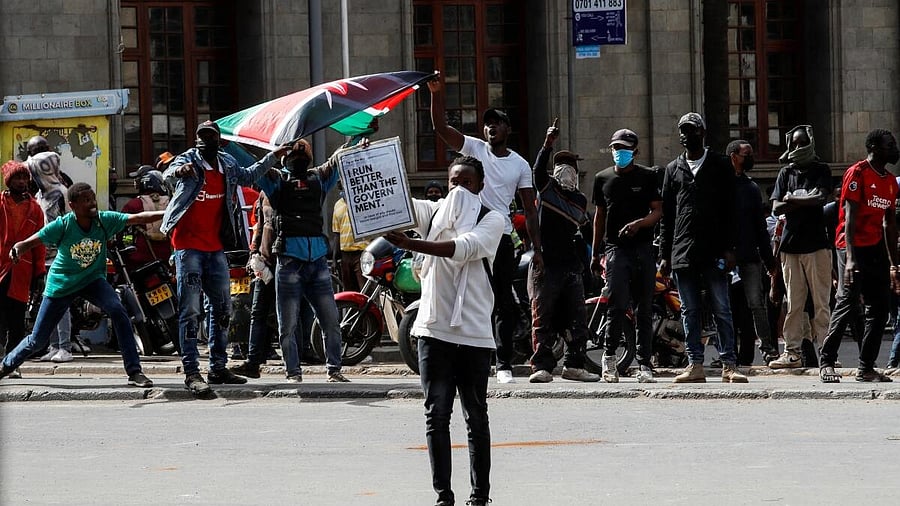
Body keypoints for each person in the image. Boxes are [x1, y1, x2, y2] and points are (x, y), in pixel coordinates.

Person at [384, 156, 504, 506]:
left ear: (480, 186)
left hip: (474, 335)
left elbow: (460, 250)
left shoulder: (492, 220)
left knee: (475, 415)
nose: (460, 189)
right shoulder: (434, 213)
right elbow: (397, 205)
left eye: (468, 182)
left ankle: (480, 496)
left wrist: (409, 245)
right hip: (434, 331)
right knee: (436, 415)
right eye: (454, 182)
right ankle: (443, 496)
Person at [161, 120, 291, 396]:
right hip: (187, 247)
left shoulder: (227, 163)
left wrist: (273, 157)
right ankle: (192, 372)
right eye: (201, 138)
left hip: (215, 246)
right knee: (190, 311)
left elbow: (249, 175)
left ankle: (217, 368)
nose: (205, 143)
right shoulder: (189, 160)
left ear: (219, 141)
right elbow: (168, 175)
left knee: (222, 310)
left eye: (210, 138)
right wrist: (180, 170)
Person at [428, 73, 541, 384]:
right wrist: (437, 94)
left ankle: (502, 362)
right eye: (487, 123)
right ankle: (467, 357)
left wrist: (537, 249)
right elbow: (441, 129)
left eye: (497, 123)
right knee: (466, 297)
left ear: (508, 129)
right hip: (468, 235)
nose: (491, 127)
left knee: (501, 300)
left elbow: (529, 209)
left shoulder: (519, 164)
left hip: (500, 237)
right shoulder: (474, 149)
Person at [0, 183, 161, 387]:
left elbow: (135, 218)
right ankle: (6, 365)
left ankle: (135, 371)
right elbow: (35, 239)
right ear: (72, 205)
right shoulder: (64, 224)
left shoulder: (104, 220)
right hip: (62, 284)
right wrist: (19, 247)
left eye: (92, 198)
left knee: (118, 310)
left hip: (92, 280)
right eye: (86, 200)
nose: (92, 203)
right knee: (37, 340)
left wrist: (169, 210)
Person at [659, 112, 748, 383]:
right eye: (683, 131)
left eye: (693, 130)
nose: (688, 135)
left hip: (715, 250)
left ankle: (729, 364)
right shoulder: (673, 169)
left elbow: (732, 210)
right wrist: (664, 255)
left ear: (703, 133)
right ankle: (694, 364)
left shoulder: (720, 165)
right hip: (683, 251)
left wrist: (731, 248)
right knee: (689, 309)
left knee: (722, 307)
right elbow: (667, 216)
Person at [252, 138, 350, 383]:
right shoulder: (275, 182)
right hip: (289, 261)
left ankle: (334, 370)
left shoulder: (318, 178)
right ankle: (293, 373)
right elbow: (251, 167)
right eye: (294, 151)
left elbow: (339, 156)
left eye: (302, 150)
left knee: (330, 321)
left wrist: (359, 136)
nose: (299, 153)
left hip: (316, 260)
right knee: (288, 324)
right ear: (284, 158)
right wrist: (270, 154)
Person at [819, 129, 900, 383]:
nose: (894, 148)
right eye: (890, 145)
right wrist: (850, 259)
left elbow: (889, 224)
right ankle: (827, 361)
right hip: (850, 245)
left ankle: (866, 366)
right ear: (875, 147)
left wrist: (894, 264)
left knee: (880, 307)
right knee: (847, 300)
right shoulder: (857, 173)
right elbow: (849, 218)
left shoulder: (889, 180)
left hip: (874, 245)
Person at [526, 120, 600, 384]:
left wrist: (590, 261)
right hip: (546, 263)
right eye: (560, 166)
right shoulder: (547, 189)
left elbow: (584, 231)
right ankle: (542, 365)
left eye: (570, 166)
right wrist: (547, 144)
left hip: (571, 266)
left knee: (577, 319)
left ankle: (574, 365)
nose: (565, 170)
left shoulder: (579, 200)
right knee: (542, 317)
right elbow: (536, 172)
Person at [591, 128, 663, 383]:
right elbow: (599, 216)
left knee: (644, 308)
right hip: (615, 249)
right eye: (616, 148)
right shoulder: (602, 178)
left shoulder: (647, 177)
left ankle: (645, 363)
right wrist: (595, 250)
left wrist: (639, 224)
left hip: (643, 248)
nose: (620, 153)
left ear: (635, 151)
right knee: (617, 304)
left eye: (625, 149)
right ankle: (609, 358)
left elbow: (657, 210)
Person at [768, 125, 834, 369]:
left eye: (801, 143)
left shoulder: (821, 170)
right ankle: (792, 352)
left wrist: (791, 199)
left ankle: (827, 352)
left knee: (821, 303)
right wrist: (803, 201)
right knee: (794, 304)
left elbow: (820, 199)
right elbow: (775, 208)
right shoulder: (786, 172)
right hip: (790, 247)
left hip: (817, 246)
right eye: (794, 144)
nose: (797, 148)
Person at [726, 140, 779, 365]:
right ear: (733, 156)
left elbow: (759, 227)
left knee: (756, 303)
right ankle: (727, 351)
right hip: (724, 257)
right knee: (724, 307)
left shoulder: (751, 187)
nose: (750, 157)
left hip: (749, 256)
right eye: (746, 154)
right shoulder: (720, 186)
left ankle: (767, 349)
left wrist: (769, 261)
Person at [25, 136, 75, 363]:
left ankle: (64, 346)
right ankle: (55, 346)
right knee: (49, 300)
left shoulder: (57, 192)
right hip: (47, 257)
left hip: (59, 256)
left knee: (59, 301)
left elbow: (62, 226)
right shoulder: (43, 192)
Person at [0, 161, 46, 379]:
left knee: (16, 320)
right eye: (17, 178)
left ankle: (12, 363)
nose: (22, 182)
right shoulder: (0, 203)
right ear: (9, 181)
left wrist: (39, 272)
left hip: (21, 270)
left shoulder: (35, 209)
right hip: (1, 266)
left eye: (24, 178)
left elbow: (40, 243)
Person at [120, 169, 172, 268]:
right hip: (168, 256)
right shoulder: (171, 203)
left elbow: (121, 229)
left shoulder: (133, 204)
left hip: (140, 258)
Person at [332, 182, 369, 292]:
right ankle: (353, 310)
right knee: (349, 292)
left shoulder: (364, 200)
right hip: (345, 255)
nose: (339, 184)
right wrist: (334, 259)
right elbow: (336, 233)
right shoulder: (338, 205)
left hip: (362, 253)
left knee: (364, 291)